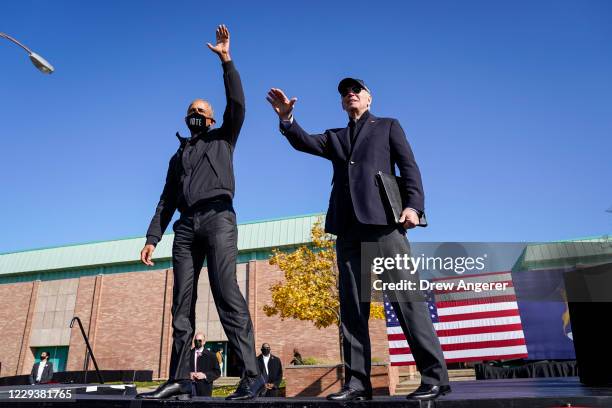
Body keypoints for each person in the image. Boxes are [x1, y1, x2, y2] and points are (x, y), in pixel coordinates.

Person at [266, 79, 451, 401]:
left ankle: (434, 378)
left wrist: (414, 206)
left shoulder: (388, 126)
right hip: (348, 230)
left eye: (356, 90)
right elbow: (304, 142)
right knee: (353, 310)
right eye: (344, 93)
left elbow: (409, 168)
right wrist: (286, 119)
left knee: (407, 301)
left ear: (368, 98)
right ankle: (357, 384)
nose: (349, 94)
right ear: (342, 103)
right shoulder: (335, 137)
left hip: (384, 226)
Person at [136, 25, 264, 401]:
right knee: (181, 304)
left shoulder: (224, 137)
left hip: (220, 219)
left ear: (211, 119)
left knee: (227, 293)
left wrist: (227, 60)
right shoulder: (178, 156)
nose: (196, 114)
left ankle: (251, 377)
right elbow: (166, 199)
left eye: (202, 111)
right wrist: (151, 237)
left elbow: (237, 103)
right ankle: (177, 379)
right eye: (191, 111)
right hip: (186, 228)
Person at [189, 333, 221, 397]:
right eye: (196, 340)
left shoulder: (211, 355)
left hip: (205, 388)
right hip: (190, 387)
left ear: (204, 342)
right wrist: (188, 374)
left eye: (200, 340)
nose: (197, 342)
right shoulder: (188, 354)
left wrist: (204, 375)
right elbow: (182, 369)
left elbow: (217, 372)